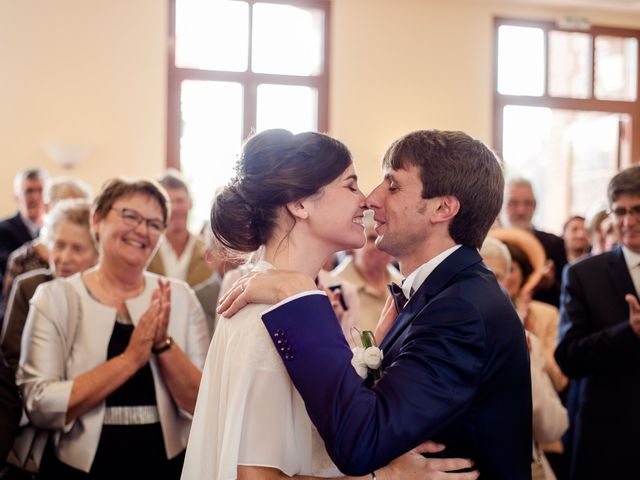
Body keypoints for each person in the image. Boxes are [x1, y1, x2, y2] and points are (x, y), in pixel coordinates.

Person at [218, 130, 532, 479]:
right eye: (354, 185)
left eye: (393, 186)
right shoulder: (436, 298)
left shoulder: (461, 309)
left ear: (443, 208)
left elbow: (362, 439)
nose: (371, 199)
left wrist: (300, 298)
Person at [16, 178, 209, 479]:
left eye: (154, 223)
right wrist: (131, 359)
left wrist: (162, 344)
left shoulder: (180, 297)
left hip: (166, 464)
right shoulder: (56, 297)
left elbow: (203, 402)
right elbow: (40, 403)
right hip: (79, 466)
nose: (142, 230)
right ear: (97, 220)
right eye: (130, 216)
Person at [555, 165, 640, 479]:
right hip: (609, 439)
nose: (628, 222)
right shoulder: (583, 275)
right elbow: (569, 357)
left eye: (637, 210)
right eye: (620, 212)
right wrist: (627, 332)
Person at [479, 237, 568, 480]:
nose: (484, 285)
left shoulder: (527, 341)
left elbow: (552, 428)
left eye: (495, 277)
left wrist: (524, 358)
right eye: (477, 274)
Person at [1, 199, 98, 372]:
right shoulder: (28, 287)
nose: (64, 258)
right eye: (59, 245)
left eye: (77, 249)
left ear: (97, 255)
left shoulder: (105, 292)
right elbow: (10, 356)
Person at [2, 176, 93, 311]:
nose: (72, 217)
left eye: (80, 210)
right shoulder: (22, 260)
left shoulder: (99, 262)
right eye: (65, 209)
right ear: (46, 208)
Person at [331, 210, 403, 332]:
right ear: (352, 246)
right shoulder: (334, 289)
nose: (380, 245)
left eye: (386, 237)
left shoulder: (403, 283)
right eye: (372, 238)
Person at [503, 178, 567, 307]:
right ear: (500, 205)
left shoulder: (554, 244)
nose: (521, 210)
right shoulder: (487, 243)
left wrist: (551, 284)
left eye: (528, 203)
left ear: (535, 206)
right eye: (513, 203)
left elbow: (567, 297)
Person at [147, 170, 213, 286]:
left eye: (180, 200)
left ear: (190, 203)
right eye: (168, 201)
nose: (175, 208)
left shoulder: (208, 250)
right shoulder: (146, 248)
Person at [0, 168, 47, 314]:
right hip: (15, 308)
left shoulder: (53, 232)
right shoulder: (3, 230)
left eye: (40, 190)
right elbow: (5, 263)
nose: (35, 197)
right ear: (17, 198)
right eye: (29, 191)